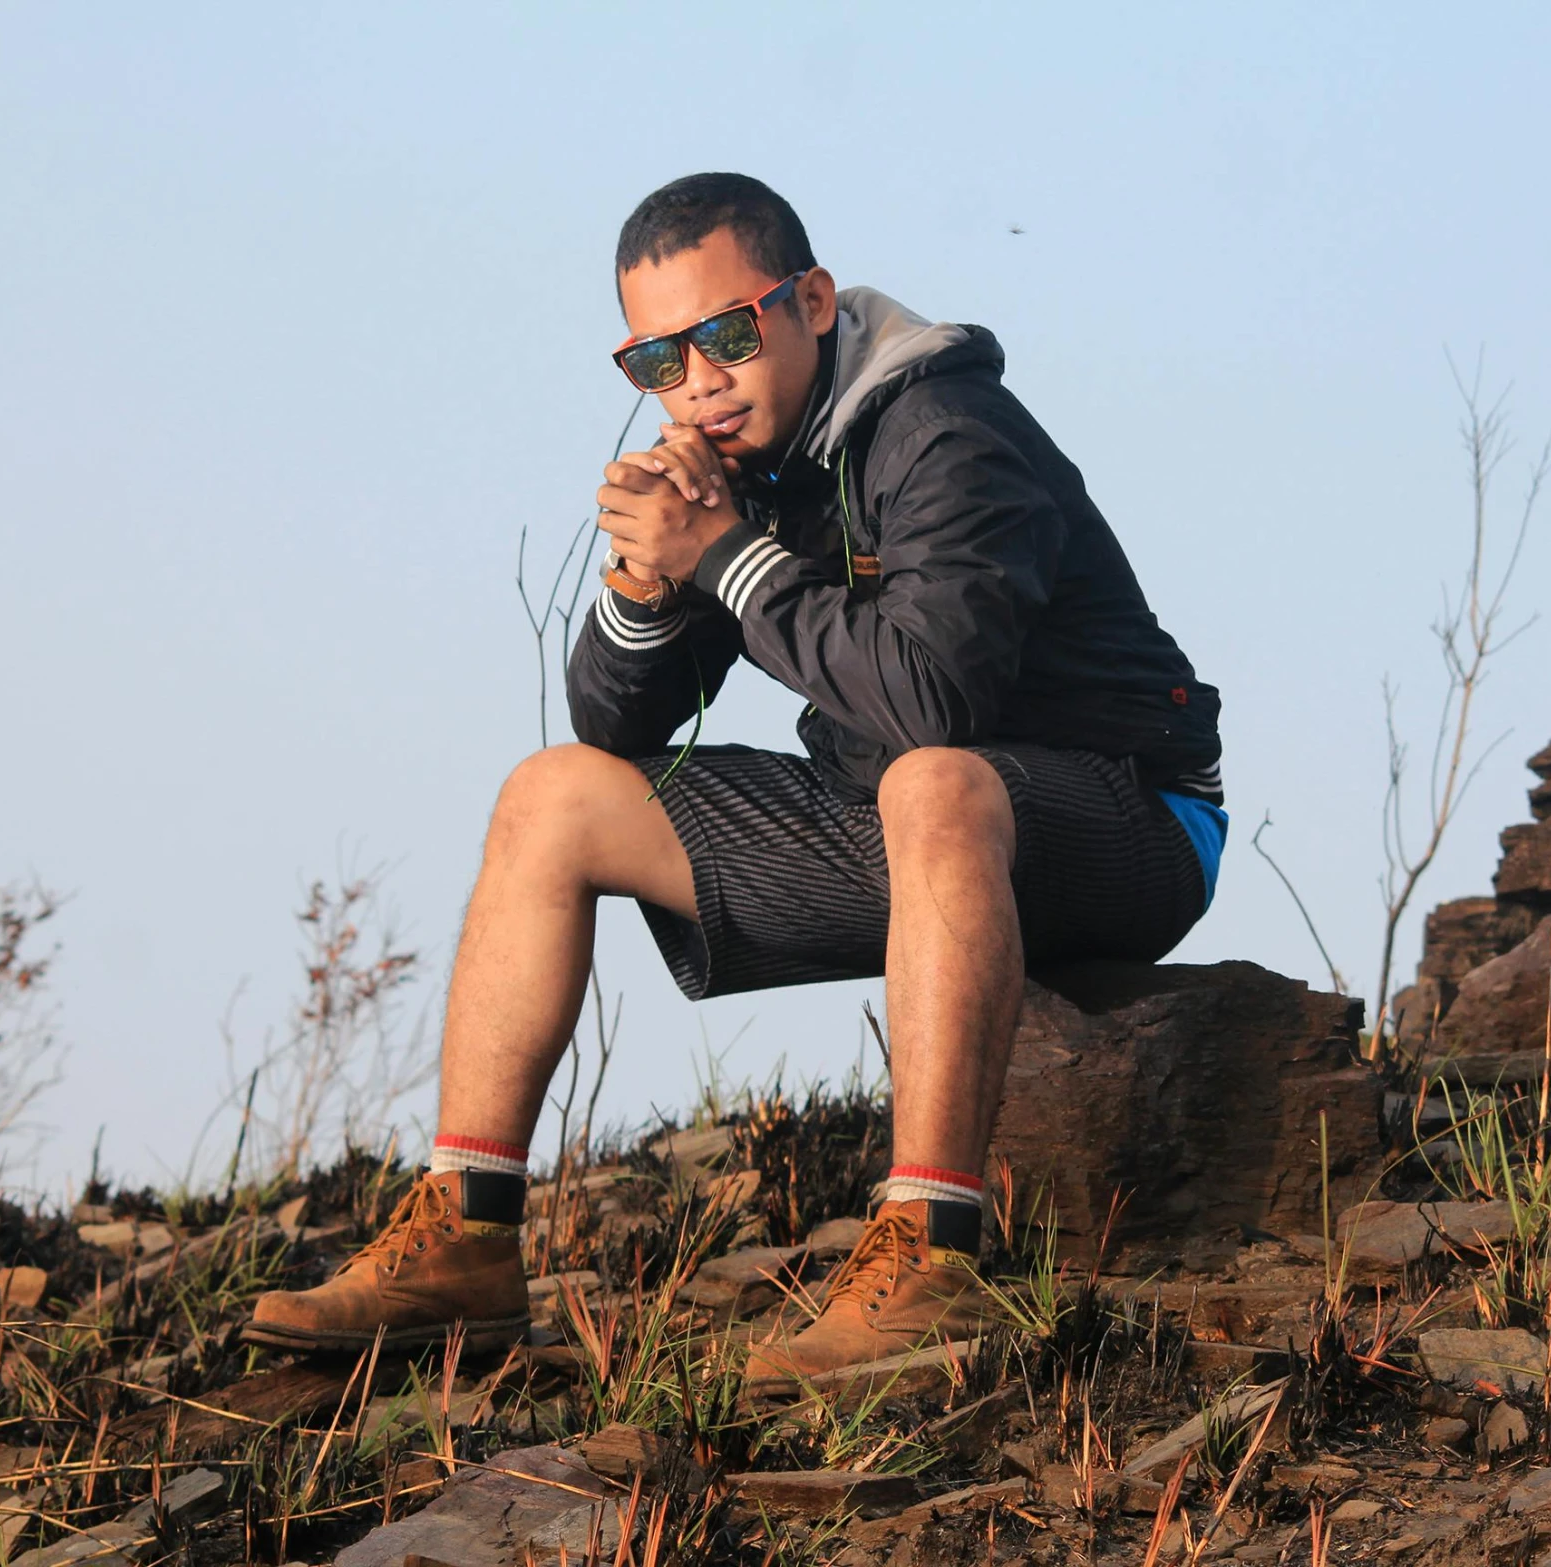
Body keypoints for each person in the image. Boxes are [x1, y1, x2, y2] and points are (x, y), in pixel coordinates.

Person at [246, 173, 1225, 1390]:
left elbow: (937, 701)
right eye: (655, 359)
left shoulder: (946, 431)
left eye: (723, 334)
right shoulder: (745, 462)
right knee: (551, 796)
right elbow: (611, 725)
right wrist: (651, 587)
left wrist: (724, 554)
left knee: (933, 779)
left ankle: (930, 1256)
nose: (697, 380)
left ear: (810, 302)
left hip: (1129, 817)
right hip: (907, 823)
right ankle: (469, 1238)